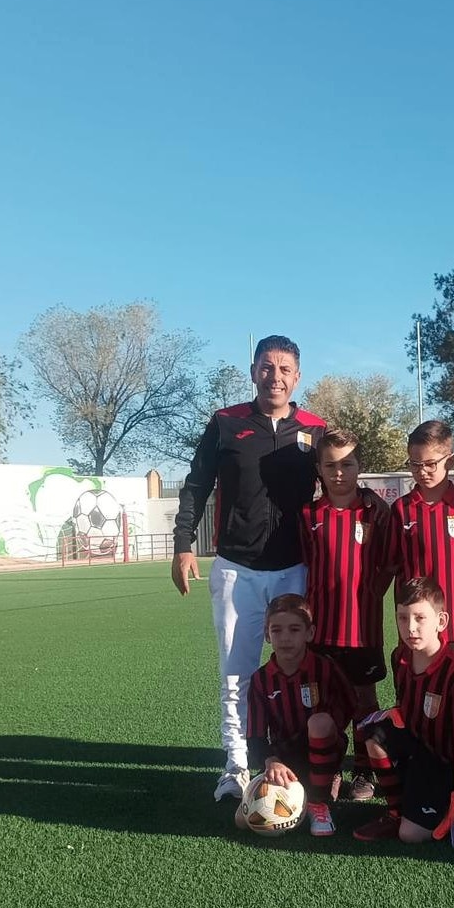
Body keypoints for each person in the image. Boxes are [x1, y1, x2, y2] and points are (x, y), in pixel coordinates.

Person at [172, 335, 327, 802]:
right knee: (237, 675)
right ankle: (236, 765)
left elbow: (339, 486)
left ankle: (299, 758)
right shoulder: (226, 423)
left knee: (300, 670)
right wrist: (183, 547)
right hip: (237, 569)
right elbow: (196, 486)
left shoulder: (315, 429)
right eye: (266, 366)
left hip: (294, 570)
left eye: (284, 369)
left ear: (297, 377)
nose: (274, 376)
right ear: (253, 370)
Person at [353, 577, 454, 845]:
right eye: (403, 618)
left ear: (441, 621)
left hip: (449, 763)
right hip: (421, 753)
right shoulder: (399, 657)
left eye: (420, 618)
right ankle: (396, 811)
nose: (410, 627)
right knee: (373, 733)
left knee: (411, 835)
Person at [300, 429, 392, 801]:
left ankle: (364, 771)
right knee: (323, 702)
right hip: (322, 628)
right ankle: (329, 768)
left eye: (347, 464)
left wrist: (370, 595)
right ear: (319, 469)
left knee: (364, 702)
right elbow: (306, 564)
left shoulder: (375, 510)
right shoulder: (309, 514)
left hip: (362, 629)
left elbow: (388, 564)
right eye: (330, 465)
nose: (339, 472)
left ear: (360, 466)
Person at [235, 594, 357, 837]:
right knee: (242, 820)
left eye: (294, 629)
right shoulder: (261, 680)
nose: (286, 638)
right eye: (277, 630)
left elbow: (350, 703)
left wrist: (331, 729)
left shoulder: (325, 668)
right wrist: (271, 761)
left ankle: (319, 800)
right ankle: (305, 788)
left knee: (319, 722)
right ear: (268, 635)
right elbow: (256, 734)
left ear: (309, 633)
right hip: (284, 759)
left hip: (322, 747)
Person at [383, 420, 454, 677]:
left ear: (450, 461)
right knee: (411, 702)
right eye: (415, 464)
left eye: (430, 464)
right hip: (414, 629)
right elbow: (391, 564)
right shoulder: (401, 509)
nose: (422, 471)